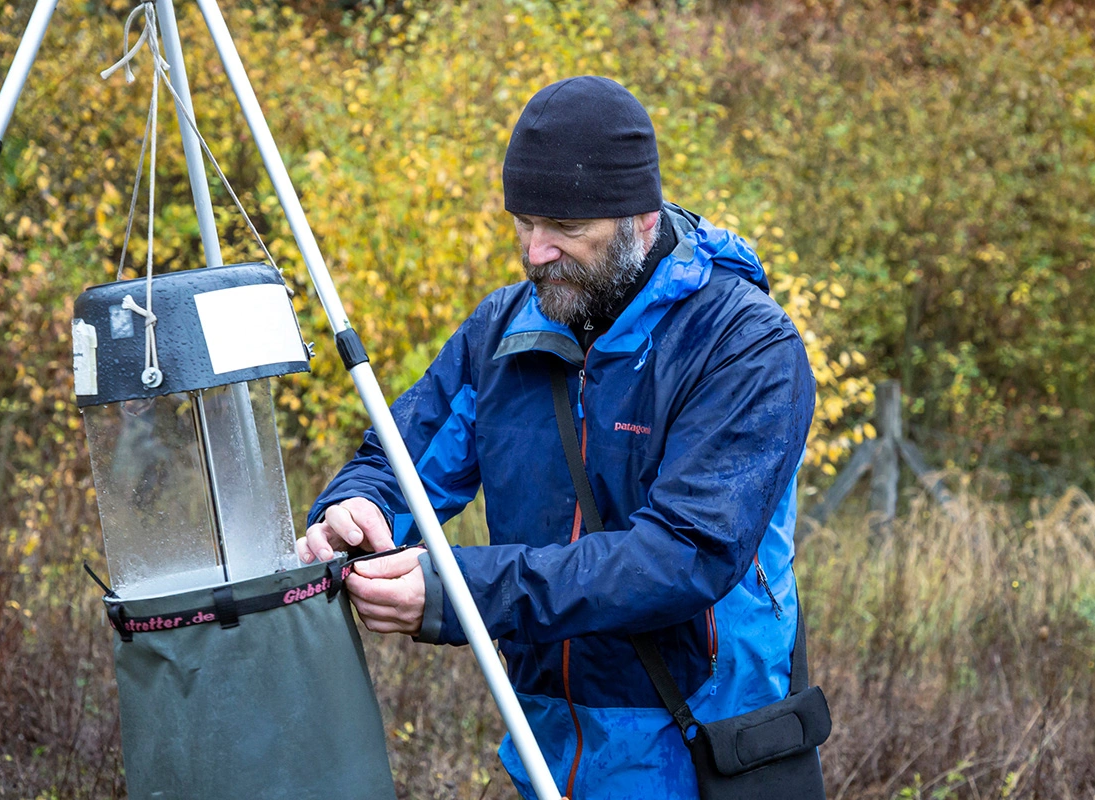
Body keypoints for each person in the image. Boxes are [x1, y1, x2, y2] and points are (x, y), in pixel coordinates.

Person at [297, 75, 816, 799]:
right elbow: (401, 459)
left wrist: (463, 594)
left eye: (565, 229)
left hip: (708, 759)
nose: (536, 253)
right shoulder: (503, 330)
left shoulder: (745, 346)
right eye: (525, 223)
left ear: (639, 218)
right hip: (548, 756)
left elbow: (682, 556)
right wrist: (355, 509)